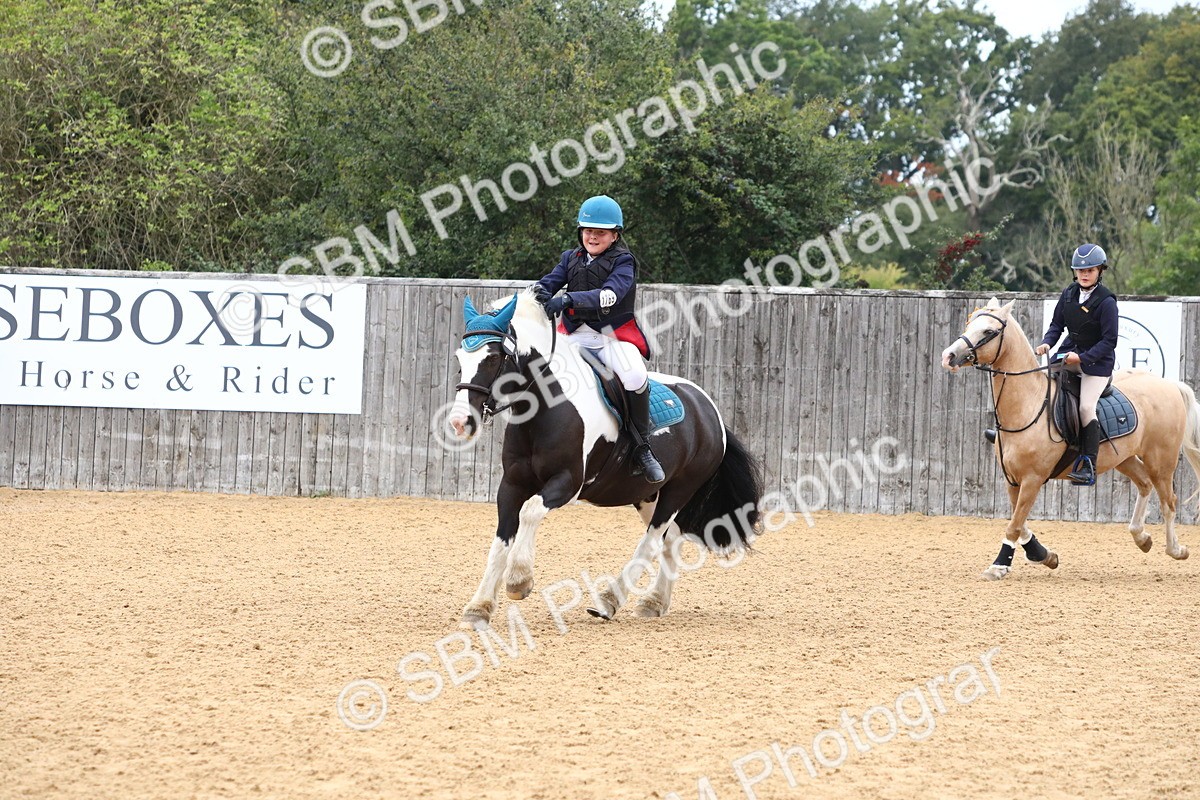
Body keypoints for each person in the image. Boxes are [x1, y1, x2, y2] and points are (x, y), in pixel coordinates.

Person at [533, 195, 664, 484]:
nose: (592, 236)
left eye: (600, 232)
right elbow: (551, 280)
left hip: (611, 338)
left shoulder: (624, 261)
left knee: (633, 375)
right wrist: (539, 291)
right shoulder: (570, 258)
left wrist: (567, 299)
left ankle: (642, 447)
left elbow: (610, 295)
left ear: (614, 235)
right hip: (574, 337)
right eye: (588, 230)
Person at [1035, 243, 1119, 486]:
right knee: (1041, 385)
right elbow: (1056, 326)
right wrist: (1046, 343)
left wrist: (1081, 358)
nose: (1084, 274)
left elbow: (1109, 341)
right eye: (1080, 270)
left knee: (1085, 408)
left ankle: (1088, 464)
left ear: (1100, 271)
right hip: (1068, 355)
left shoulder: (1107, 302)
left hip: (1097, 364)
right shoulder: (1068, 294)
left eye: (1090, 270)